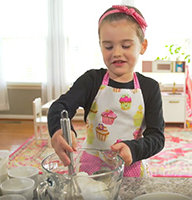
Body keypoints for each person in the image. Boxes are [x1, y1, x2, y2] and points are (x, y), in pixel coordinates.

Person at [47, 5, 165, 177]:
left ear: (142, 46)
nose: (117, 53)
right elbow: (60, 106)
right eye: (108, 47)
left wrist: (134, 148)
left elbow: (157, 137)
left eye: (125, 46)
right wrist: (58, 130)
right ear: (100, 46)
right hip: (91, 166)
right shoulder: (91, 81)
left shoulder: (150, 88)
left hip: (130, 166)